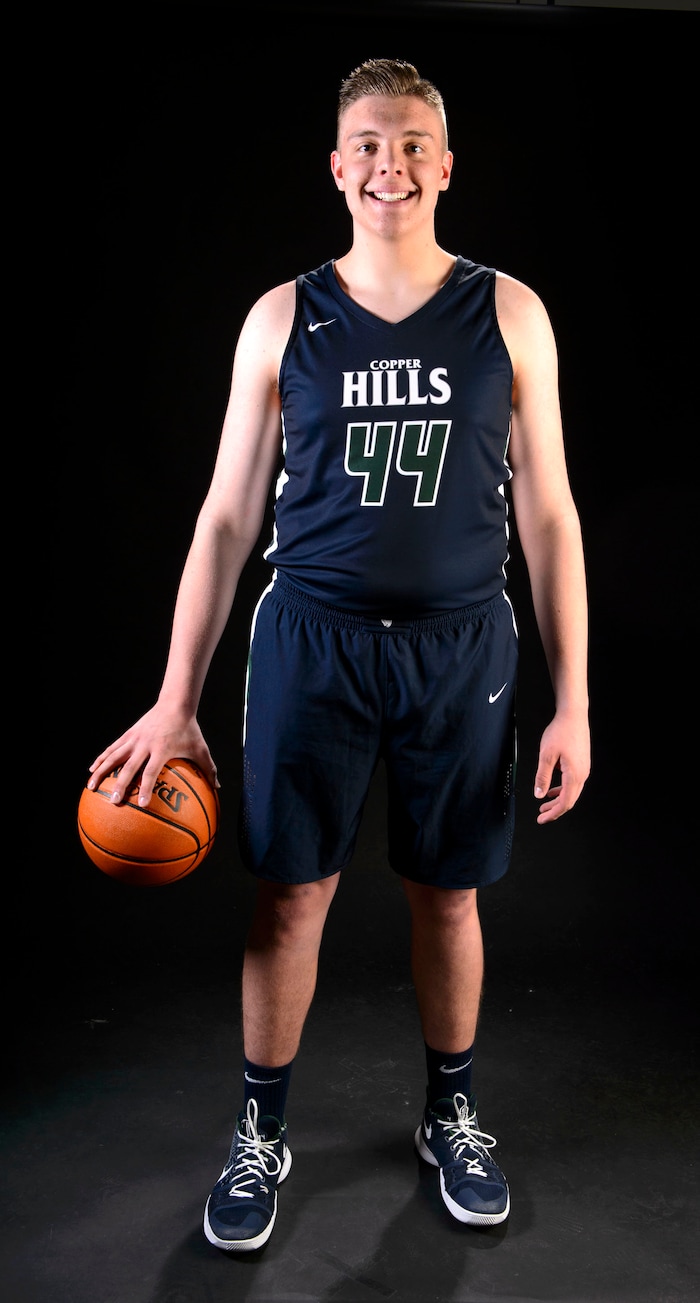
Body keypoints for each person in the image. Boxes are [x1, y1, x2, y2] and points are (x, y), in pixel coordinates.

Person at [88, 58, 590, 1252]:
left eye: (414, 143)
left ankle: (451, 1115)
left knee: (449, 892)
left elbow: (551, 515)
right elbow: (222, 518)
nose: (391, 164)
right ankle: (260, 1133)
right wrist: (174, 700)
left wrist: (573, 699)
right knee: (289, 893)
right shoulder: (282, 317)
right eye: (369, 143)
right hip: (308, 641)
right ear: (335, 166)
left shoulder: (507, 312)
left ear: (446, 165)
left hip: (460, 642)